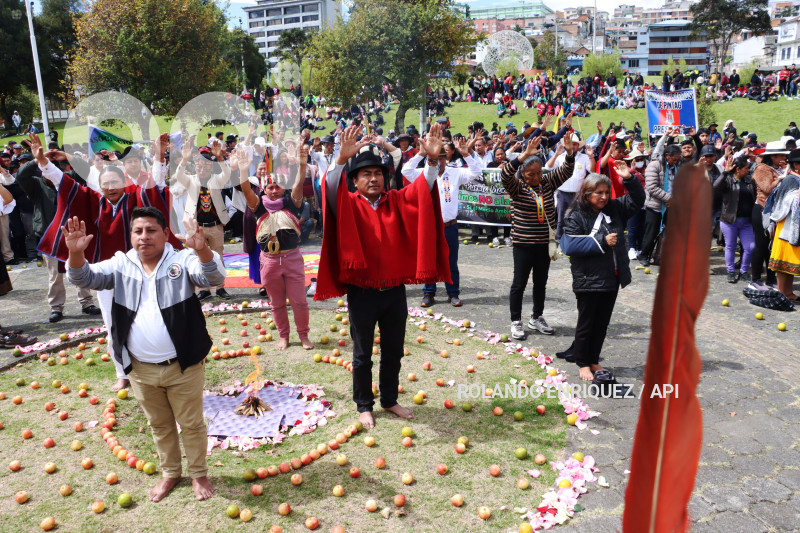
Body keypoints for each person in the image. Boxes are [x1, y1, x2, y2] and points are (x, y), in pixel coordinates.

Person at [65, 207, 224, 502]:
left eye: (151, 230)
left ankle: (199, 474)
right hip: (139, 369)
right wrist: (76, 254)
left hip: (183, 365)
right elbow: (83, 277)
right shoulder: (120, 265)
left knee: (191, 424)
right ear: (131, 236)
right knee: (159, 425)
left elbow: (211, 276)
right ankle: (171, 473)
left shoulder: (181, 260)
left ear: (165, 234)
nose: (144, 237)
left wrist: (202, 250)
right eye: (138, 231)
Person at [315, 124, 450, 428]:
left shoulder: (396, 201)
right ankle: (364, 404)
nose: (374, 178)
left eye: (378, 173)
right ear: (355, 181)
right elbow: (329, 189)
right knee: (362, 354)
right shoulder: (347, 204)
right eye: (366, 174)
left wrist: (430, 161)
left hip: (393, 291)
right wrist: (340, 160)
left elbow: (422, 192)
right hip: (361, 292)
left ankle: (389, 399)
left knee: (393, 351)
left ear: (386, 178)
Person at [559, 165, 645, 380]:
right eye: (599, 193)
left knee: (602, 323)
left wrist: (629, 179)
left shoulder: (615, 208)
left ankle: (594, 359)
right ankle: (582, 363)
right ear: (587, 194)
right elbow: (570, 247)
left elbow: (637, 200)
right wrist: (602, 241)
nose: (604, 197)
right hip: (588, 279)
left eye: (606, 192)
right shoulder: (575, 215)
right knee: (587, 323)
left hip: (612, 277)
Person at [235, 145, 314, 350]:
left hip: (293, 260)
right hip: (269, 263)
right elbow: (245, 188)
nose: (273, 190)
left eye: (277, 186)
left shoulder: (291, 203)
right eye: (269, 187)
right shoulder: (257, 206)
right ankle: (284, 336)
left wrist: (303, 165)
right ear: (263, 189)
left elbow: (298, 184)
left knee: (299, 302)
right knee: (276, 303)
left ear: (283, 189)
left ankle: (304, 336)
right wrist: (243, 170)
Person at [501, 134, 575, 340]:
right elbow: (505, 175)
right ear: (522, 173)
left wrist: (569, 153)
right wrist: (523, 154)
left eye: (539, 173)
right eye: (531, 174)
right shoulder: (516, 187)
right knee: (519, 283)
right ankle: (516, 321)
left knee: (541, 282)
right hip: (523, 244)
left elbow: (567, 170)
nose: (536, 177)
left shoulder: (547, 182)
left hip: (544, 243)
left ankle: (537, 317)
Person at [402, 134, 482, 307]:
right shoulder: (422, 174)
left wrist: (466, 153)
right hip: (428, 226)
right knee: (428, 259)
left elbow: (476, 172)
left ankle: (453, 294)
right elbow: (405, 171)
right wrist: (421, 154)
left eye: (442, 157)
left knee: (450, 261)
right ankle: (428, 293)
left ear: (447, 158)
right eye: (436, 158)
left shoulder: (455, 172)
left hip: (449, 226)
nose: (439, 162)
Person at [175, 139, 231, 300]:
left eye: (206, 166)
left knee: (218, 257)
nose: (202, 169)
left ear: (211, 168)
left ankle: (220, 287)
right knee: (199, 257)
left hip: (215, 226)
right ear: (195, 167)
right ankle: (204, 289)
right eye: (199, 166)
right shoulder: (190, 180)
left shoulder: (216, 179)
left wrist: (220, 158)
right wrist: (184, 159)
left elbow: (226, 173)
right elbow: (178, 175)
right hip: (196, 227)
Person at [715, 156, 756, 283]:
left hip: (747, 222)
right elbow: (716, 185)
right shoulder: (727, 180)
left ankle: (744, 271)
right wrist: (725, 172)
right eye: (746, 168)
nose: (748, 170)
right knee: (730, 247)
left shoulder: (749, 181)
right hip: (729, 220)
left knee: (750, 247)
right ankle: (731, 271)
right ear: (737, 169)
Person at [765, 149, 800, 299]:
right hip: (786, 226)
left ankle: (788, 292)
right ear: (795, 164)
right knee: (783, 262)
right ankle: (782, 292)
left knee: (789, 262)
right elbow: (783, 202)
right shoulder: (790, 180)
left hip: (795, 226)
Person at [639, 145, 682, 267]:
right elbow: (652, 187)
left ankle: (659, 256)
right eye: (674, 159)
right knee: (651, 233)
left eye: (677, 159)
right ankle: (643, 255)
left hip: (670, 207)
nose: (676, 161)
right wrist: (669, 198)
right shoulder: (655, 166)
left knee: (665, 233)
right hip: (655, 206)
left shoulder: (675, 167)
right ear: (667, 155)